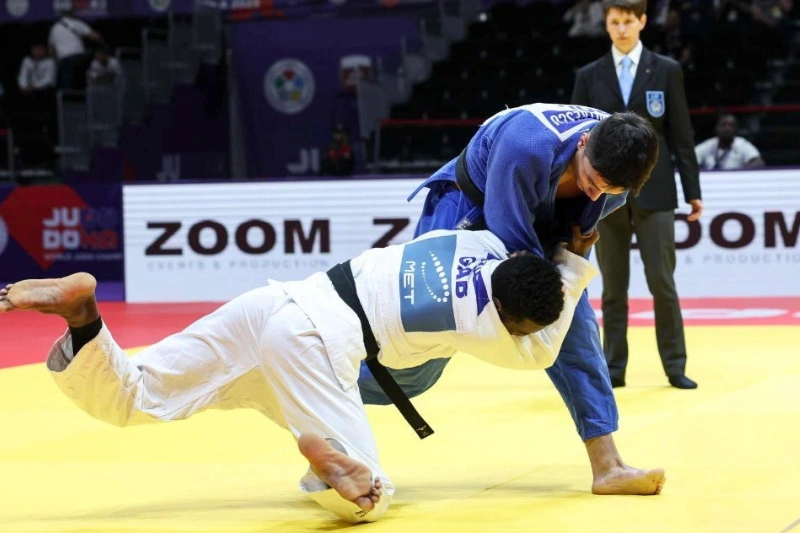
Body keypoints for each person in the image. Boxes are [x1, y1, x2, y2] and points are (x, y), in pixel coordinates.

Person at [0, 227, 638, 522]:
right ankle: (334, 459)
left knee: (133, 396)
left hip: (274, 303)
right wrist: (579, 266)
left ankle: (83, 314)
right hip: (313, 344)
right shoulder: (482, 325)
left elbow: (529, 269)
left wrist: (553, 254)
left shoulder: (473, 241)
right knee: (375, 496)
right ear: (508, 314)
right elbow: (545, 352)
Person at [357, 102, 666, 495]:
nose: (597, 191)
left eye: (610, 189)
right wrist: (565, 276)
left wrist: (571, 270)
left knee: (575, 325)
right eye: (594, 179)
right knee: (422, 358)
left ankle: (608, 465)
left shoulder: (618, 164)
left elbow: (574, 225)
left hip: (538, 221)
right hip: (469, 206)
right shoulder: (527, 145)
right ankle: (331, 388)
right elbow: (513, 251)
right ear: (583, 143)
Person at [571, 0, 702, 390]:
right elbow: (576, 142)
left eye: (629, 21)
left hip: (657, 189)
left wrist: (692, 191)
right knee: (613, 287)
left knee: (663, 281)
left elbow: (681, 134)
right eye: (615, 22)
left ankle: (675, 366)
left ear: (643, 22)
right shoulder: (589, 75)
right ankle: (614, 368)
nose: (622, 29)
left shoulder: (666, 70)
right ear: (606, 25)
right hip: (603, 195)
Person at [48, 9, 105, 90]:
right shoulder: (76, 23)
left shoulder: (54, 28)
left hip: (64, 60)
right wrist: (103, 43)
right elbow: (96, 37)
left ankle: (69, 100)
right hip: (79, 57)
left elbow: (51, 49)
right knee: (94, 56)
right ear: (72, 15)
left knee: (68, 85)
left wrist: (56, 62)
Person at [695, 114, 765, 170]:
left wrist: (739, 173)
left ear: (736, 130)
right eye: (723, 125)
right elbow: (691, 160)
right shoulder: (708, 145)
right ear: (716, 128)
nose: (727, 129)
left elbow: (758, 162)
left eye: (731, 126)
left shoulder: (742, 144)